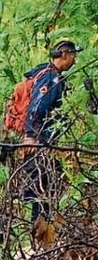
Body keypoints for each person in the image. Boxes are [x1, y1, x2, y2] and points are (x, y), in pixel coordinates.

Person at [21, 40, 82, 221]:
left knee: (47, 186)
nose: (74, 59)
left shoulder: (52, 75)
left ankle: (43, 230)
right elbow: (37, 106)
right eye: (73, 55)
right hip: (40, 141)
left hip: (46, 142)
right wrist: (30, 136)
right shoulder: (51, 78)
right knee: (42, 188)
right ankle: (39, 231)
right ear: (64, 55)